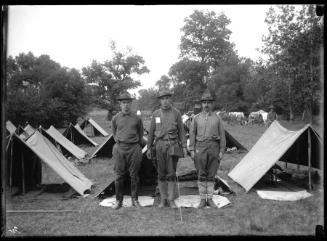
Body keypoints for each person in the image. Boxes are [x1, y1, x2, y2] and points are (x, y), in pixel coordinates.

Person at [146, 89, 187, 209]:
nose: (165, 101)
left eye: (167, 98)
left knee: (171, 173)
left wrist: (184, 146)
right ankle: (163, 199)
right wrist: (149, 147)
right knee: (161, 173)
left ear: (170, 99)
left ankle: (171, 199)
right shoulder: (155, 114)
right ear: (160, 100)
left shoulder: (176, 113)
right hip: (159, 146)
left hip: (172, 145)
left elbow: (181, 131)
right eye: (163, 98)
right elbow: (151, 132)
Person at [189, 89, 226, 208]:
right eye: (204, 102)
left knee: (211, 174)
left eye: (209, 102)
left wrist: (221, 151)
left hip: (214, 147)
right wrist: (192, 150)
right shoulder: (196, 118)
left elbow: (223, 135)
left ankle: (209, 199)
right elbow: (192, 134)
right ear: (201, 104)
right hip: (200, 148)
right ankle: (202, 199)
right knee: (201, 173)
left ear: (212, 104)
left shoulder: (217, 118)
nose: (206, 105)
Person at [111, 91, 144, 210]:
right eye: (123, 103)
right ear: (120, 104)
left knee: (134, 175)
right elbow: (114, 133)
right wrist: (120, 142)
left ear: (131, 104)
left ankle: (134, 199)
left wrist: (134, 143)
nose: (126, 105)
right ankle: (118, 201)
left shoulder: (137, 118)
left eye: (128, 103)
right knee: (119, 176)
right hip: (120, 148)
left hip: (134, 148)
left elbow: (140, 134)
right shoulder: (115, 118)